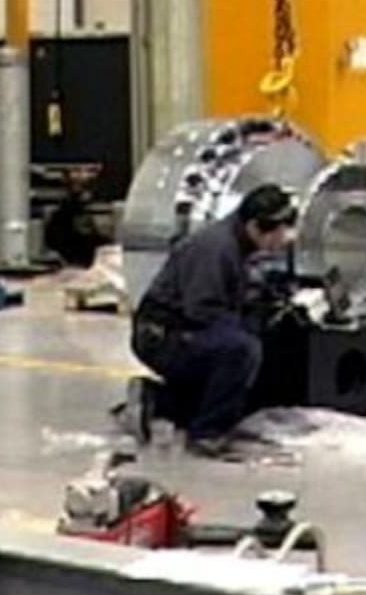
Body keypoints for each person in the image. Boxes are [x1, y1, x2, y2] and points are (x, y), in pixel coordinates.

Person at [124, 184, 297, 458]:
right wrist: (246, 325)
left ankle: (157, 400)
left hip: (182, 328)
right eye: (279, 233)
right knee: (242, 349)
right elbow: (201, 310)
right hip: (161, 335)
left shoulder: (239, 241)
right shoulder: (216, 247)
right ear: (255, 227)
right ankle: (207, 434)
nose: (284, 240)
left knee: (253, 342)